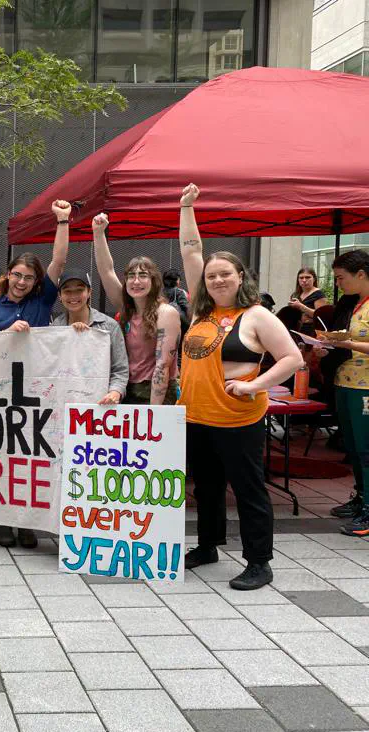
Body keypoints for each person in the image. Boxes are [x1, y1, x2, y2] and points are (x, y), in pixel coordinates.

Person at [177, 183, 302, 590]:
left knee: (248, 490)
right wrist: (186, 208)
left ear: (240, 276)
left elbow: (292, 359)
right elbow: (191, 251)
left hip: (237, 418)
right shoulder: (203, 309)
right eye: (211, 276)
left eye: (224, 274)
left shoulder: (257, 315)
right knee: (207, 487)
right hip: (198, 415)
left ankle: (258, 561)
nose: (216, 279)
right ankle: (208, 545)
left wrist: (254, 387)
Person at [0, 199, 70, 548]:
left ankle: (28, 522)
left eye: (29, 278)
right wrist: (7, 336)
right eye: (17, 275)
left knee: (32, 457)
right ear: (7, 275)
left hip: (36, 391)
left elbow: (58, 261)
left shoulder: (41, 302)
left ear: (36, 283)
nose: (22, 282)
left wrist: (62, 221)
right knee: (1, 457)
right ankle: (4, 521)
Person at [93, 214, 181, 404]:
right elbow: (106, 271)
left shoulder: (165, 313)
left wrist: (154, 411)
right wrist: (99, 233)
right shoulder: (127, 309)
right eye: (131, 276)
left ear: (154, 280)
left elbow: (162, 366)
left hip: (156, 391)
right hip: (125, 388)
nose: (136, 281)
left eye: (143, 275)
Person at [321, 250, 369, 535]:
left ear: (361, 274)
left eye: (341, 278)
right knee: (351, 446)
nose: (338, 283)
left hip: (365, 386)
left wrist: (346, 344)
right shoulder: (355, 303)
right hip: (346, 381)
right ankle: (361, 499)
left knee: (365, 449)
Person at [51, 269, 129, 404]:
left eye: (79, 290)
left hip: (101, 405)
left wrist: (115, 392)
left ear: (89, 292)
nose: (73, 296)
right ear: (60, 296)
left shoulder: (109, 326)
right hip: (63, 404)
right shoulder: (55, 328)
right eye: (67, 291)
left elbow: (120, 370)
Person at [288, 267, 328, 334]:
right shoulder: (295, 295)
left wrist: (301, 306)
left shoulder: (318, 294)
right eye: (301, 278)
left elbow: (321, 316)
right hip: (296, 330)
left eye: (307, 277)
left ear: (314, 279)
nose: (304, 280)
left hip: (312, 332)